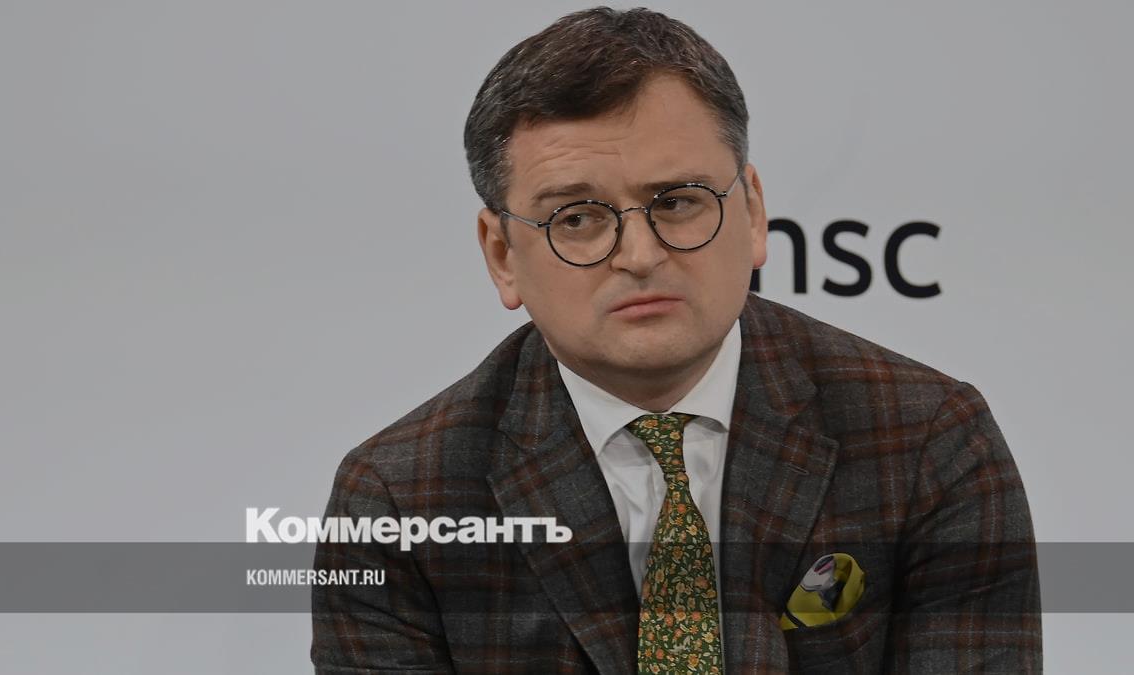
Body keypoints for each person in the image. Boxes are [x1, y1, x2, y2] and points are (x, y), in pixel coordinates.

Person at [311, 7, 1041, 673]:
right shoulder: (399, 500)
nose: (640, 255)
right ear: (502, 254)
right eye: (577, 219)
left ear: (752, 213)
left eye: (679, 202)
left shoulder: (928, 438)